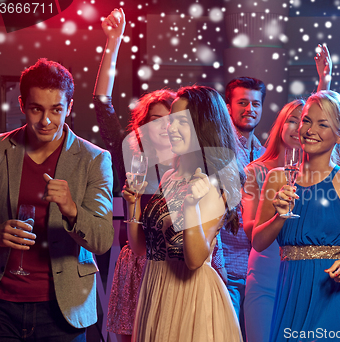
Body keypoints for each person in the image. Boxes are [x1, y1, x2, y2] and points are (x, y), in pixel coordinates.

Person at [0, 58, 114, 340]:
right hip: (0, 305)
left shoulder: (94, 159)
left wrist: (72, 210)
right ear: (22, 105)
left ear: (69, 107)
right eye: (36, 109)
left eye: (56, 110)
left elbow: (102, 240)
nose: (46, 121)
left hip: (63, 311)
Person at [125, 85, 244, 342]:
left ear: (202, 126)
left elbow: (194, 260)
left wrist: (190, 209)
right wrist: (133, 204)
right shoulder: (170, 176)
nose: (170, 128)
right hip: (155, 289)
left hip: (190, 298)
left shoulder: (215, 183)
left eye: (180, 121)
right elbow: (142, 249)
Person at [253, 90, 340, 342]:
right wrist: (279, 217)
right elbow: (258, 242)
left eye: (323, 124)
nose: (309, 129)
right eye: (306, 120)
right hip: (291, 289)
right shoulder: (277, 178)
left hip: (333, 290)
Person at [92, 9, 179, 342]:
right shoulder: (131, 156)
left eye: (171, 119)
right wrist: (112, 42)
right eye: (155, 119)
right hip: (136, 264)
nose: (164, 126)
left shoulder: (189, 164)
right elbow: (103, 102)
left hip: (175, 266)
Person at [241, 99, 304, 342]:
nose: (299, 128)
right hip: (266, 268)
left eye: (305, 122)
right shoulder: (255, 171)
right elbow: (249, 228)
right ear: (280, 125)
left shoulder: (318, 174)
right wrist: (276, 215)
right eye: (292, 120)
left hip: (302, 270)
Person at [220, 76, 267, 338]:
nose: (250, 109)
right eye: (243, 102)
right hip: (227, 263)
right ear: (228, 106)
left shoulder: (263, 153)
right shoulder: (219, 149)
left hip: (257, 265)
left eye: (256, 104)